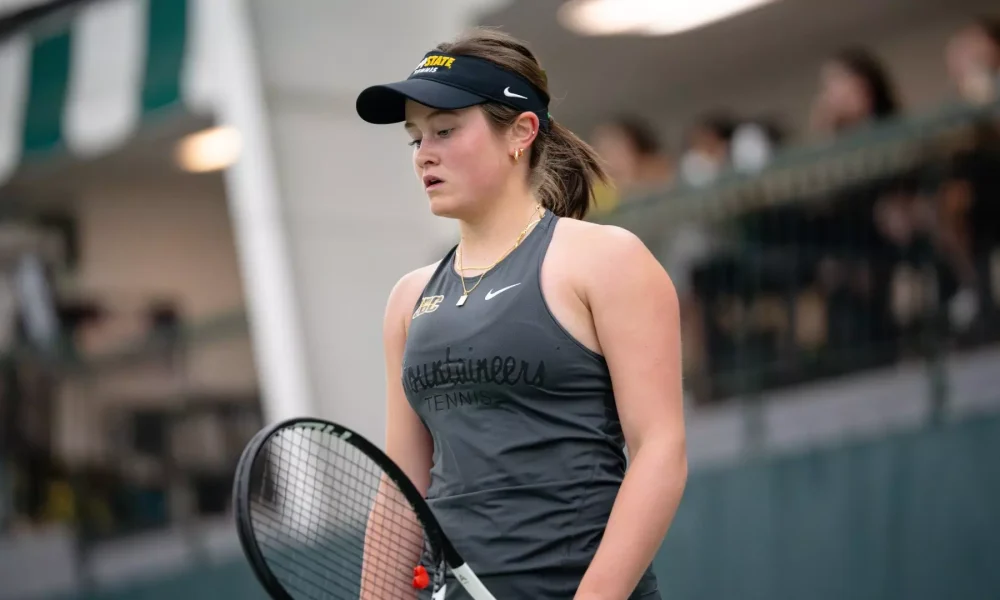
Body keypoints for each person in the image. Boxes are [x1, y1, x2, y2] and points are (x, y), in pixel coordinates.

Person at [355, 28, 687, 599]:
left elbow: (661, 451)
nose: (425, 154)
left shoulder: (607, 259)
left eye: (445, 129)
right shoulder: (407, 301)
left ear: (522, 132)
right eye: (415, 139)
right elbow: (402, 490)